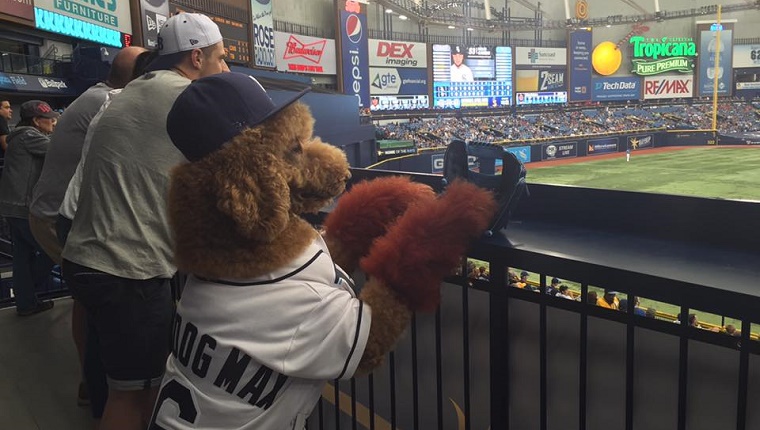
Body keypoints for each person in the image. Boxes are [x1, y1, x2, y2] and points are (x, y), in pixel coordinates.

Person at [60, 13, 229, 430]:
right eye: (220, 58)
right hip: (128, 271)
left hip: (90, 258)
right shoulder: (187, 97)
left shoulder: (137, 90)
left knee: (133, 387)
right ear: (195, 58)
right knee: (133, 397)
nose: (225, 69)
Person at [28, 45, 147, 419]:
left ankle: (91, 383)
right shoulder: (108, 102)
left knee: (87, 298)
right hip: (57, 216)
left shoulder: (97, 95)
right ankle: (99, 386)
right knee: (93, 299)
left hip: (56, 211)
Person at [0, 100, 59, 315]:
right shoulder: (29, 136)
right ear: (36, 121)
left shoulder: (20, 136)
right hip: (23, 207)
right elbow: (58, 148)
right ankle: (27, 290)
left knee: (22, 257)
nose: (53, 121)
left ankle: (26, 303)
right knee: (51, 249)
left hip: (11, 206)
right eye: (49, 118)